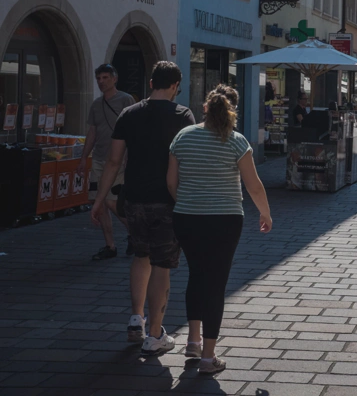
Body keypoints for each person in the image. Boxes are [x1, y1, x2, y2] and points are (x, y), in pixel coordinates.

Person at [91, 61, 195, 355]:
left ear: (151, 83)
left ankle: (136, 318)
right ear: (175, 86)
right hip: (167, 200)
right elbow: (187, 160)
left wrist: (99, 202)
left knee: (140, 255)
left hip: (133, 198)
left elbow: (113, 162)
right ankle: (154, 335)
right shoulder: (183, 115)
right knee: (162, 264)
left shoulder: (129, 113)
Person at [167, 85, 272, 375]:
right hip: (225, 220)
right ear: (230, 112)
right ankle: (208, 357)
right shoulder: (236, 141)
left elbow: (171, 182)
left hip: (187, 218)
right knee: (215, 284)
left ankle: (192, 340)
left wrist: (188, 203)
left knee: (197, 276)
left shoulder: (183, 137)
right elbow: (253, 185)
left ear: (204, 108)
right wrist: (265, 213)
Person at [78, 64, 136, 261]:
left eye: (105, 77)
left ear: (114, 78)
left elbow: (132, 130)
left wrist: (129, 155)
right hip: (99, 159)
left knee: (112, 202)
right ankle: (110, 245)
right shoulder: (96, 104)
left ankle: (135, 234)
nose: (101, 82)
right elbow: (92, 133)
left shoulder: (126, 100)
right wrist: (83, 158)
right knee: (98, 202)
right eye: (98, 79)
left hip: (118, 160)